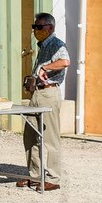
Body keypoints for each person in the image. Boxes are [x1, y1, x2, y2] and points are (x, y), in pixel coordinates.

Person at [20, 12, 68, 191]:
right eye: (34, 27)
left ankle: (53, 178)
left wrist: (45, 67)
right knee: (30, 136)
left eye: (39, 27)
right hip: (37, 93)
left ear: (50, 28)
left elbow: (65, 61)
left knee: (50, 138)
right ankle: (34, 175)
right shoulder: (42, 46)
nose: (36, 31)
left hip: (49, 93)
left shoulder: (56, 44)